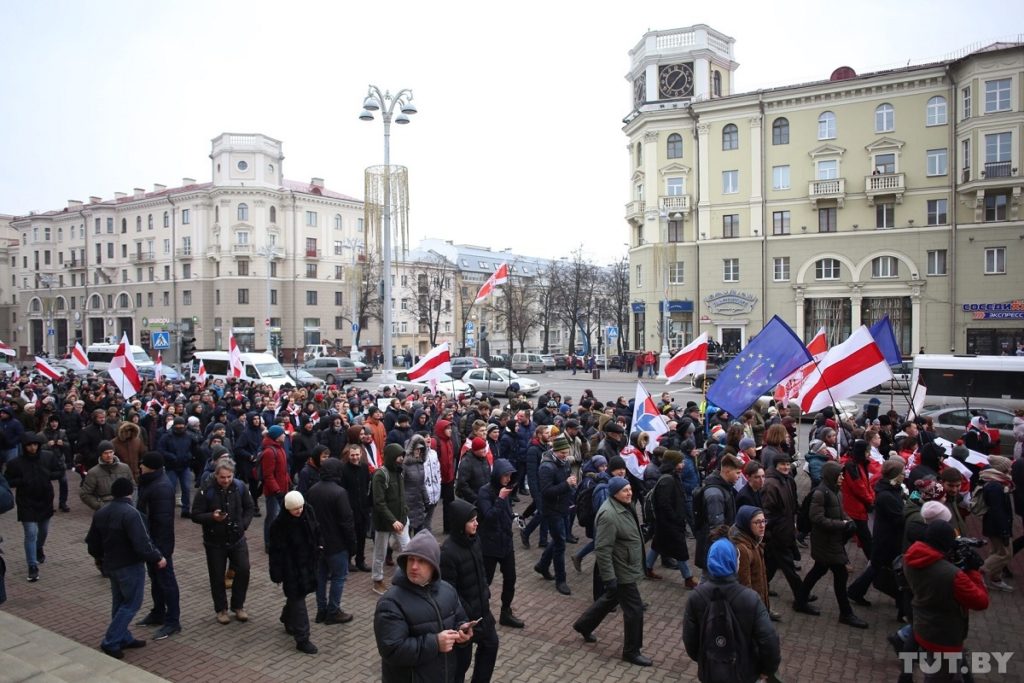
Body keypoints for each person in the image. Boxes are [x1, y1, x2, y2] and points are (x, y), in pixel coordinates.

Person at [572, 476, 653, 667]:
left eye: (630, 489)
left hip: (627, 565)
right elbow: (602, 549)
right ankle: (631, 651)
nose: (629, 493)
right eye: (625, 490)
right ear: (614, 493)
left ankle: (583, 625)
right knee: (634, 611)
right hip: (621, 570)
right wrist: (609, 578)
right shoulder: (608, 515)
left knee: (611, 598)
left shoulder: (626, 505)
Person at [373, 529, 472, 683]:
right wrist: (435, 643)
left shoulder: (448, 590)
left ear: (434, 565)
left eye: (421, 561)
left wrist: (462, 632)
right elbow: (392, 650)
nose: (413, 566)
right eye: (411, 560)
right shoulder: (391, 603)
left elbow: (459, 619)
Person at [85, 477, 166, 659]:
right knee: (131, 604)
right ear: (131, 492)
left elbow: (92, 542)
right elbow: (142, 543)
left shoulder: (101, 512)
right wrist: (157, 557)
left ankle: (124, 637)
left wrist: (99, 559)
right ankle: (112, 640)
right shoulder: (132, 514)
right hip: (129, 565)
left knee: (119, 602)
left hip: (111, 564)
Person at [682, 538, 782, 683]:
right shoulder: (751, 598)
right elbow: (769, 640)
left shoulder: (695, 597)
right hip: (745, 674)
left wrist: (706, 660)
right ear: (734, 562)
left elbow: (690, 640)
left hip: (710, 673)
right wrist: (767, 670)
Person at [903, 520, 989, 681]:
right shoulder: (952, 575)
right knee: (939, 676)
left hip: (924, 623)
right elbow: (981, 602)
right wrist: (973, 572)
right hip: (944, 634)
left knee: (951, 671)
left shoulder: (910, 557)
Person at [796, 461, 868, 628]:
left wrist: (848, 521)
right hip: (825, 541)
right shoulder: (821, 493)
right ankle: (846, 613)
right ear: (832, 476)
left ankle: (800, 600)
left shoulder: (835, 491)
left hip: (831, 540)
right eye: (840, 475)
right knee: (840, 575)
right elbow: (817, 518)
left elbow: (840, 512)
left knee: (819, 570)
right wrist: (842, 525)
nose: (842, 477)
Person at [441, 499, 500, 683]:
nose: (476, 523)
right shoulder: (448, 552)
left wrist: (486, 595)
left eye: (476, 519)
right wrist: (465, 617)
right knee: (460, 665)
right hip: (462, 621)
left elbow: (481, 573)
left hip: (482, 612)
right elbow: (450, 591)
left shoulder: (475, 540)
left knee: (491, 645)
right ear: (460, 523)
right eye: (471, 520)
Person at [191, 458, 255, 624]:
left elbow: (250, 508)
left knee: (244, 570)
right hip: (215, 542)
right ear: (216, 476)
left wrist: (243, 524)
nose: (226, 480)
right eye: (222, 477)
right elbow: (195, 514)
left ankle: (238, 606)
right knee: (217, 576)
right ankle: (221, 609)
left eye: (229, 477)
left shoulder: (240, 487)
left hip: (237, 538)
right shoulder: (206, 490)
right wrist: (211, 517)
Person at [268, 491, 323, 654]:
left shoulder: (308, 511)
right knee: (298, 602)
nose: (299, 511)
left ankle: (287, 617)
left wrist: (320, 546)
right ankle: (302, 638)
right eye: (295, 509)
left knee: (297, 597)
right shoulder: (279, 525)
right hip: (291, 568)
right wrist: (276, 573)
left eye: (300, 507)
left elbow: (317, 530)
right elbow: (275, 552)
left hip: (308, 563)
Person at [848, 456, 906, 611]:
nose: (904, 475)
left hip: (886, 537)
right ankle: (901, 601)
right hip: (887, 538)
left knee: (876, 567)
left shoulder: (889, 490)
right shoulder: (887, 495)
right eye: (902, 473)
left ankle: (856, 591)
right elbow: (898, 518)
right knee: (881, 567)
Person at [135, 452, 181, 640]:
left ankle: (173, 621)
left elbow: (162, 522)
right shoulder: (150, 482)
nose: (140, 466)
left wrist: (158, 552)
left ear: (150, 467)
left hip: (159, 545)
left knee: (167, 582)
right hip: (151, 542)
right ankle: (158, 612)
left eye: (143, 464)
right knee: (156, 580)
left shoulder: (160, 487)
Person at [4, 432, 62, 582]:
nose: (33, 448)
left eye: (35, 444)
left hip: (45, 499)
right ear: (24, 447)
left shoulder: (47, 457)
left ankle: (38, 548)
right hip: (26, 501)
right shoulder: (16, 463)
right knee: (30, 533)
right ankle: (32, 565)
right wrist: (22, 480)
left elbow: (59, 471)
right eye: (29, 445)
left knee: (43, 531)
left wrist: (48, 474)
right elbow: (8, 481)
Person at [305, 458, 356, 624]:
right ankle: (333, 611)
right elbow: (347, 522)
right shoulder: (340, 492)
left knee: (321, 577)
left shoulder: (312, 490)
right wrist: (352, 544)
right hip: (337, 544)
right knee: (338, 577)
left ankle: (321, 610)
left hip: (317, 544)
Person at [476, 458, 524, 628]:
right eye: (505, 476)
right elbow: (488, 516)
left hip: (506, 543)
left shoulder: (506, 489)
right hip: (489, 546)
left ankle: (506, 612)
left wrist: (513, 517)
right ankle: (480, 613)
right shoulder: (485, 491)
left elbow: (504, 513)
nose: (508, 479)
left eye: (510, 476)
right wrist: (501, 499)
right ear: (497, 475)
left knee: (510, 578)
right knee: (485, 581)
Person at [534, 433, 577, 596]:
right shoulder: (547, 467)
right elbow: (546, 492)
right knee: (560, 544)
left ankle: (542, 565)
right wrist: (566, 485)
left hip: (563, 506)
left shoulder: (563, 463)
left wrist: (571, 487)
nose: (566, 456)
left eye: (567, 453)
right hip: (552, 510)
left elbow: (565, 481)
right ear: (554, 451)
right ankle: (561, 580)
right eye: (563, 453)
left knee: (560, 538)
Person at [648, 450, 697, 588]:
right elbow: (664, 504)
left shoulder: (672, 476)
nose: (682, 464)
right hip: (669, 523)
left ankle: (647, 567)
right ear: (673, 463)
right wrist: (675, 518)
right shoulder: (667, 480)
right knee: (680, 549)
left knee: (658, 544)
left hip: (666, 522)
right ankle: (688, 578)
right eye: (680, 462)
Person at [371, 443, 410, 595]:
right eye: (399, 456)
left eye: (402, 456)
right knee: (380, 552)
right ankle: (377, 580)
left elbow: (401, 496)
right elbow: (379, 502)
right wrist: (392, 520)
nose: (401, 459)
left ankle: (405, 578)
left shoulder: (399, 472)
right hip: (384, 522)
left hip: (400, 519)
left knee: (408, 549)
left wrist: (404, 513)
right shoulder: (381, 475)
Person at [694, 454, 741, 573]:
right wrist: (722, 551)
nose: (739, 476)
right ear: (727, 471)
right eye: (737, 473)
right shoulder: (715, 494)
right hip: (713, 546)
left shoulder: (725, 487)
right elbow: (717, 527)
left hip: (714, 545)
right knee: (710, 578)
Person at [979, 455, 1014, 592]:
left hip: (993, 525)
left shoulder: (996, 482)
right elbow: (997, 510)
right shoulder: (995, 486)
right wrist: (1004, 530)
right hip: (998, 526)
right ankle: (980, 572)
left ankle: (996, 578)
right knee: (1005, 554)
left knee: (996, 551)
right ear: (1001, 469)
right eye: (1007, 467)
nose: (1010, 469)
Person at [340, 444, 372, 572]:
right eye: (352, 455)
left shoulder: (364, 468)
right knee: (350, 536)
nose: (355, 457)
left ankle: (360, 560)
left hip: (363, 508)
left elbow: (367, 485)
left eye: (357, 455)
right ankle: (348, 560)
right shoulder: (344, 469)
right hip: (350, 508)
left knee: (362, 536)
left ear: (361, 455)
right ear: (348, 455)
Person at [261, 424, 291, 550]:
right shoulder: (269, 451)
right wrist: (276, 489)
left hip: (282, 488)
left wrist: (288, 481)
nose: (284, 435)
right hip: (274, 492)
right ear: (277, 436)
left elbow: (283, 470)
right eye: (282, 433)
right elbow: (268, 475)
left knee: (280, 517)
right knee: (272, 517)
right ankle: (269, 542)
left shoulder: (280, 448)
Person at [80, 441, 133, 511]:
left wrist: (131, 501)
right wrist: (100, 506)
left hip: (125, 506)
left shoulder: (125, 468)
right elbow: (85, 494)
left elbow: (133, 486)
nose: (109, 455)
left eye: (111, 452)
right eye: (105, 453)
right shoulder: (93, 472)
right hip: (106, 507)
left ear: (114, 452)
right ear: (101, 454)